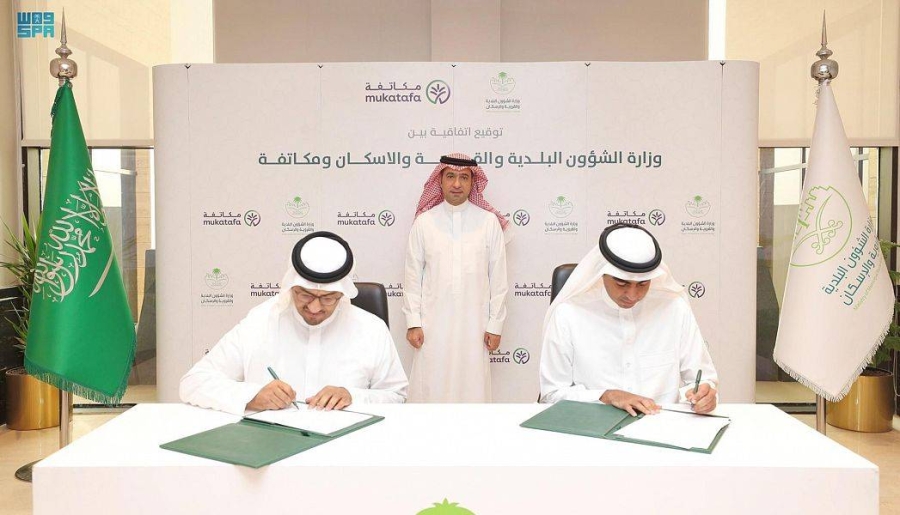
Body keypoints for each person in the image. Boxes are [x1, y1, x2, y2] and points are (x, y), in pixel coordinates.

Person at [180, 231, 408, 414]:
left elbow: (396, 395)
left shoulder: (371, 329)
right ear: (290, 287)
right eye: (304, 295)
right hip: (270, 446)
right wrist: (251, 396)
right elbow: (194, 382)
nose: (315, 308)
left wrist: (353, 396)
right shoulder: (260, 321)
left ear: (342, 294)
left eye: (328, 298)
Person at [539, 223, 718, 415]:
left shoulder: (674, 308)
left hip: (662, 423)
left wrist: (704, 395)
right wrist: (606, 396)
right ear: (602, 273)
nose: (632, 295)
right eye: (621, 283)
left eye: (642, 284)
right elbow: (552, 394)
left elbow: (702, 379)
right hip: (591, 424)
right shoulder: (568, 313)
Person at [402, 153, 509, 402]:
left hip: (476, 324)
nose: (457, 184)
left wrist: (495, 325)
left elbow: (499, 279)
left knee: (473, 385)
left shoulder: (488, 222)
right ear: (440, 181)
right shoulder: (424, 222)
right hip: (432, 323)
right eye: (450, 176)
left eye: (464, 178)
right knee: (431, 383)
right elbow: (412, 276)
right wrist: (413, 322)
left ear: (473, 182)